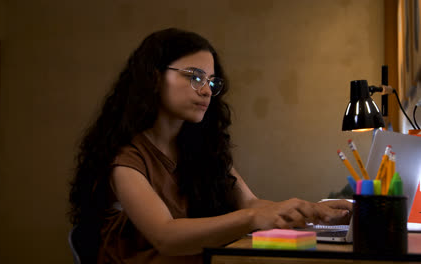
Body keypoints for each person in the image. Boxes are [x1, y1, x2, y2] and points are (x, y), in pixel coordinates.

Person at [68, 28, 352, 264]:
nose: (206, 90)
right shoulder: (125, 159)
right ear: (154, 77)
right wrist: (252, 218)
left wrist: (315, 211)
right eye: (194, 77)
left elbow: (251, 204)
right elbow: (165, 236)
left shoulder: (204, 149)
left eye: (211, 82)